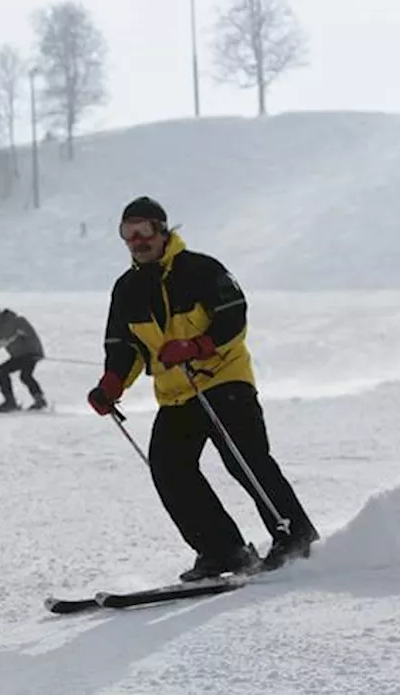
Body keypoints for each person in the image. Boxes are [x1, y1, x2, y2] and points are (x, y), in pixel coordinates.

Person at [86, 196, 319, 581]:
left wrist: (197, 347)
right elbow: (123, 346)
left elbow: (233, 315)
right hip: (177, 393)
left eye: (143, 231)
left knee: (244, 459)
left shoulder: (200, 269)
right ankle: (222, 551)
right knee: (168, 467)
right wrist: (112, 384)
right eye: (128, 235)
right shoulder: (126, 289)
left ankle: (295, 537)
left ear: (162, 230)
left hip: (224, 381)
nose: (136, 241)